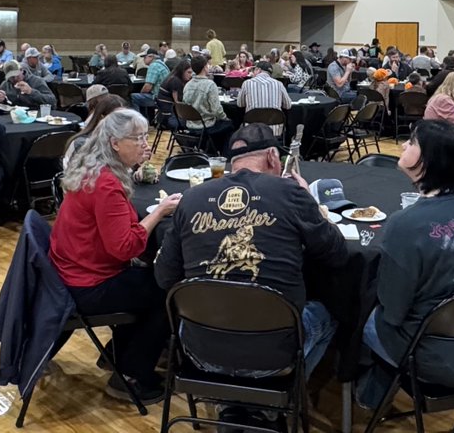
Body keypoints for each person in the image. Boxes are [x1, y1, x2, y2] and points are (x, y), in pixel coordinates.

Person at [154, 124, 347, 406]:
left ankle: (230, 402)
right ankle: (278, 401)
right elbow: (337, 254)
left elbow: (164, 277)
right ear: (272, 156)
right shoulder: (291, 192)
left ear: (232, 162)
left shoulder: (191, 198)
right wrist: (312, 203)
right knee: (330, 313)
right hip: (274, 354)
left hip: (200, 350)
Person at [356, 120, 454, 409]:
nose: (403, 145)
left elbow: (393, 312)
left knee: (357, 316)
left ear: (430, 160)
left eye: (412, 142)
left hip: (439, 360)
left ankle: (370, 396)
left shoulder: (405, 225)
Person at [51, 108, 177, 404]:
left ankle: (117, 356)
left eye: (145, 136)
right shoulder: (107, 184)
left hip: (70, 270)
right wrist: (160, 212)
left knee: (148, 279)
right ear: (115, 143)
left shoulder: (93, 168)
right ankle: (131, 377)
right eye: (138, 138)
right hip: (87, 283)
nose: (145, 144)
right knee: (167, 289)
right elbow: (125, 247)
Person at [182, 55, 235, 156]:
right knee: (230, 125)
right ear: (205, 67)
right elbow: (216, 110)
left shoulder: (187, 85)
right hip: (206, 125)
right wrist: (225, 118)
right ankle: (224, 156)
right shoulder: (210, 85)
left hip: (190, 124)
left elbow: (185, 104)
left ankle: (209, 149)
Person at [63, 94, 127, 167]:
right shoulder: (82, 144)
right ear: (102, 118)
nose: (123, 122)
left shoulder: (125, 140)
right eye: (118, 118)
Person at [238, 61, 292, 136]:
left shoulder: (246, 83)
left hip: (252, 130)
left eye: (254, 70)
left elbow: (240, 104)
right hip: (274, 131)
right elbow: (288, 105)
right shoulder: (279, 84)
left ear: (258, 70)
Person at [131, 49, 169, 116]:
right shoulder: (162, 64)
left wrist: (141, 93)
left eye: (145, 57)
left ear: (151, 57)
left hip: (158, 98)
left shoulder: (154, 66)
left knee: (132, 97)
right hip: (165, 97)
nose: (144, 59)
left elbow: (147, 87)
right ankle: (146, 118)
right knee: (142, 97)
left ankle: (138, 119)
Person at [157, 59, 192, 130]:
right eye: (189, 72)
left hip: (164, 115)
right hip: (169, 117)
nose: (191, 75)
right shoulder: (175, 81)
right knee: (194, 123)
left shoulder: (172, 77)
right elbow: (178, 102)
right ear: (182, 71)